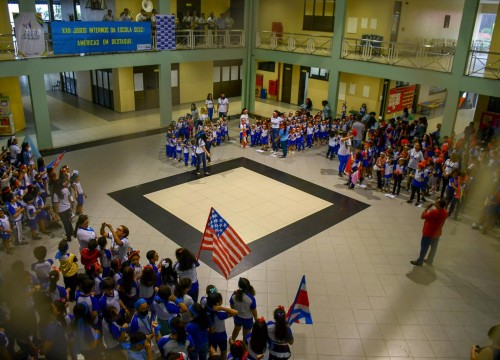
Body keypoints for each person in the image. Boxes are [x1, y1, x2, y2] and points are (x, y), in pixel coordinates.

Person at [410, 198, 448, 266]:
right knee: (434, 248)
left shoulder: (433, 212)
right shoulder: (445, 212)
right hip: (437, 233)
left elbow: (422, 216)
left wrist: (426, 208)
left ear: (439, 205)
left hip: (428, 233)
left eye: (437, 202)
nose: (435, 202)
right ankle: (430, 260)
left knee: (424, 247)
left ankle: (420, 261)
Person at [230, 277, 257, 341]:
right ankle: (244, 345)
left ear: (239, 286)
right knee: (246, 334)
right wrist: (256, 320)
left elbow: (231, 306)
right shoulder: (251, 298)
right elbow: (254, 311)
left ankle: (232, 340)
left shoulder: (234, 295)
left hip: (237, 317)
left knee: (236, 329)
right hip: (247, 319)